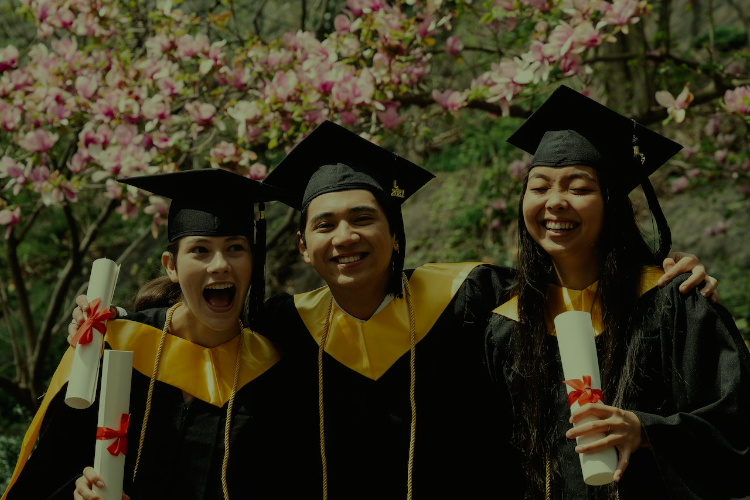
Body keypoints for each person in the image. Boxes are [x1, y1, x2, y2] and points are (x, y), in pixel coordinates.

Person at [259, 121, 720, 500]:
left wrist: (674, 273)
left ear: (395, 233)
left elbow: (567, 267)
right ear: (302, 246)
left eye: (363, 218)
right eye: (325, 225)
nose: (344, 237)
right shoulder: (282, 325)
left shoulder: (468, 297)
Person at [482, 85, 750, 499]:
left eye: (579, 187)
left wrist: (646, 431)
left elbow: (738, 426)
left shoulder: (674, 304)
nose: (555, 202)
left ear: (612, 203)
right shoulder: (507, 328)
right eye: (539, 187)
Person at [2, 169, 310, 500]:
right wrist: (77, 494)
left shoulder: (271, 376)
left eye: (236, 247)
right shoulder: (115, 347)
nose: (220, 264)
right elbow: (46, 476)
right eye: (200, 250)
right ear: (171, 266)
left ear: (253, 259)